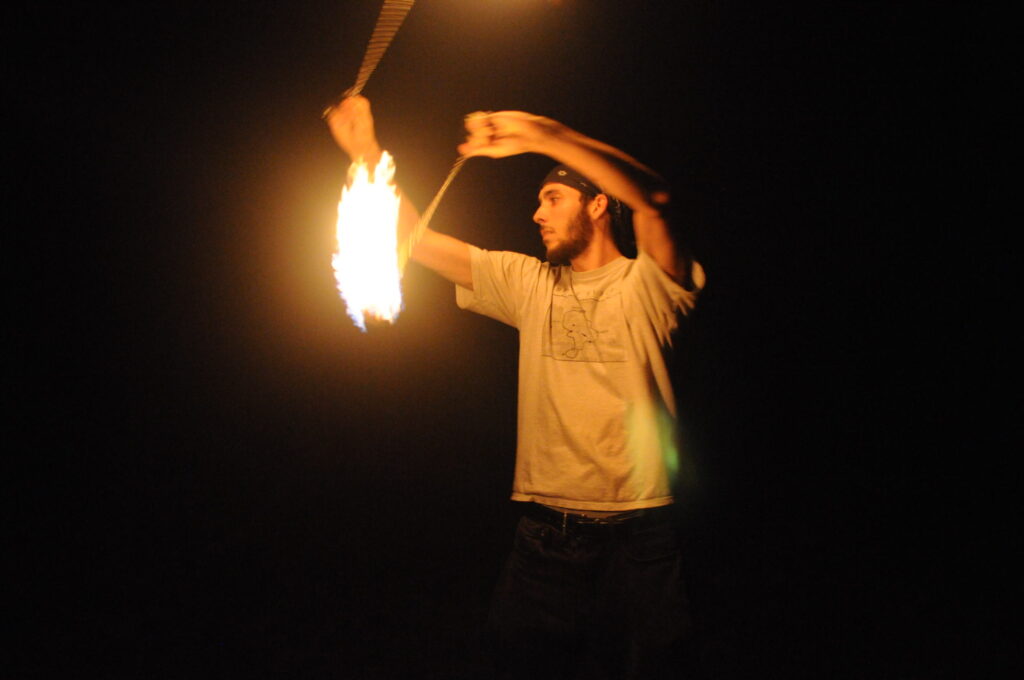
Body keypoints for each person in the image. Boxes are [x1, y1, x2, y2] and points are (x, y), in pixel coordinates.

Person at [326, 96, 705, 679]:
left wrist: (545, 134)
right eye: (537, 201)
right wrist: (367, 152)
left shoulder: (649, 283)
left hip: (642, 539)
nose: (537, 213)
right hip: (546, 541)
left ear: (599, 203)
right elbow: (418, 243)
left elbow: (653, 199)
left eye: (552, 197)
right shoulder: (528, 283)